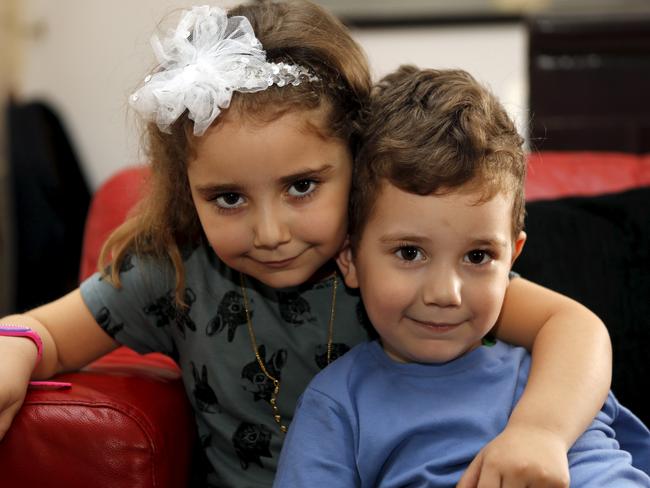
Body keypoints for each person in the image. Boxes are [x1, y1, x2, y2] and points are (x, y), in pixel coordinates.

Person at [0, 2, 614, 487]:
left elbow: (573, 328)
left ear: (355, 161)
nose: (270, 233)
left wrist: (540, 430)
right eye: (228, 198)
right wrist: (13, 353)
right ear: (188, 192)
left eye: (301, 186)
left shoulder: (402, 261)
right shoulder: (174, 274)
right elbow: (42, 332)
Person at [273, 66, 650, 487]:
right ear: (351, 260)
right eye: (410, 252)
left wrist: (538, 433)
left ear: (512, 258)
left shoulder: (550, 378)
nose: (445, 293)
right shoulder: (338, 405)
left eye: (477, 256)